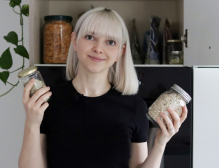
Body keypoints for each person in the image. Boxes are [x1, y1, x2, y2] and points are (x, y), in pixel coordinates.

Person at [18, 7, 188, 168]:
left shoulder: (135, 107)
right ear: (74, 41)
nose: (98, 48)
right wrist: (31, 123)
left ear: (120, 52)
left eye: (110, 41)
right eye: (90, 37)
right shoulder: (48, 101)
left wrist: (160, 142)